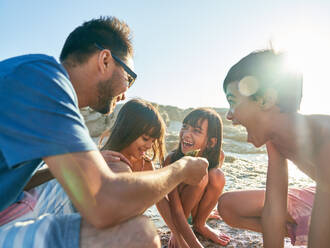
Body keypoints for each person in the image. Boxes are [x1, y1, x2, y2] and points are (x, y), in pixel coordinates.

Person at [0, 16, 208, 248]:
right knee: (136, 233)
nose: (125, 94)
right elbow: (104, 203)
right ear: (105, 60)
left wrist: (90, 161)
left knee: (88, 183)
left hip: (8, 208)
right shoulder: (43, 81)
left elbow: (17, 182)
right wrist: (180, 170)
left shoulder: (33, 77)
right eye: (129, 78)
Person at [217, 49, 330, 248]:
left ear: (265, 100)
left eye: (232, 102)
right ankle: (317, 232)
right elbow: (274, 209)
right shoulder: (275, 141)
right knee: (229, 206)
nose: (229, 116)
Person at [157, 108, 230, 247]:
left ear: (210, 142)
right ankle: (188, 227)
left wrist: (206, 211)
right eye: (185, 127)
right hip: (177, 213)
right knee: (200, 176)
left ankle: (200, 225)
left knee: (217, 175)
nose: (186, 134)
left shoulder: (218, 156)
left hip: (196, 213)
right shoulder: (171, 160)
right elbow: (175, 207)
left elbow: (212, 188)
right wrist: (176, 233)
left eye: (196, 131)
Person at [99, 98, 166, 174]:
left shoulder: (146, 165)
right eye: (145, 138)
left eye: (153, 141)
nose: (149, 146)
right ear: (127, 130)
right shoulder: (103, 159)